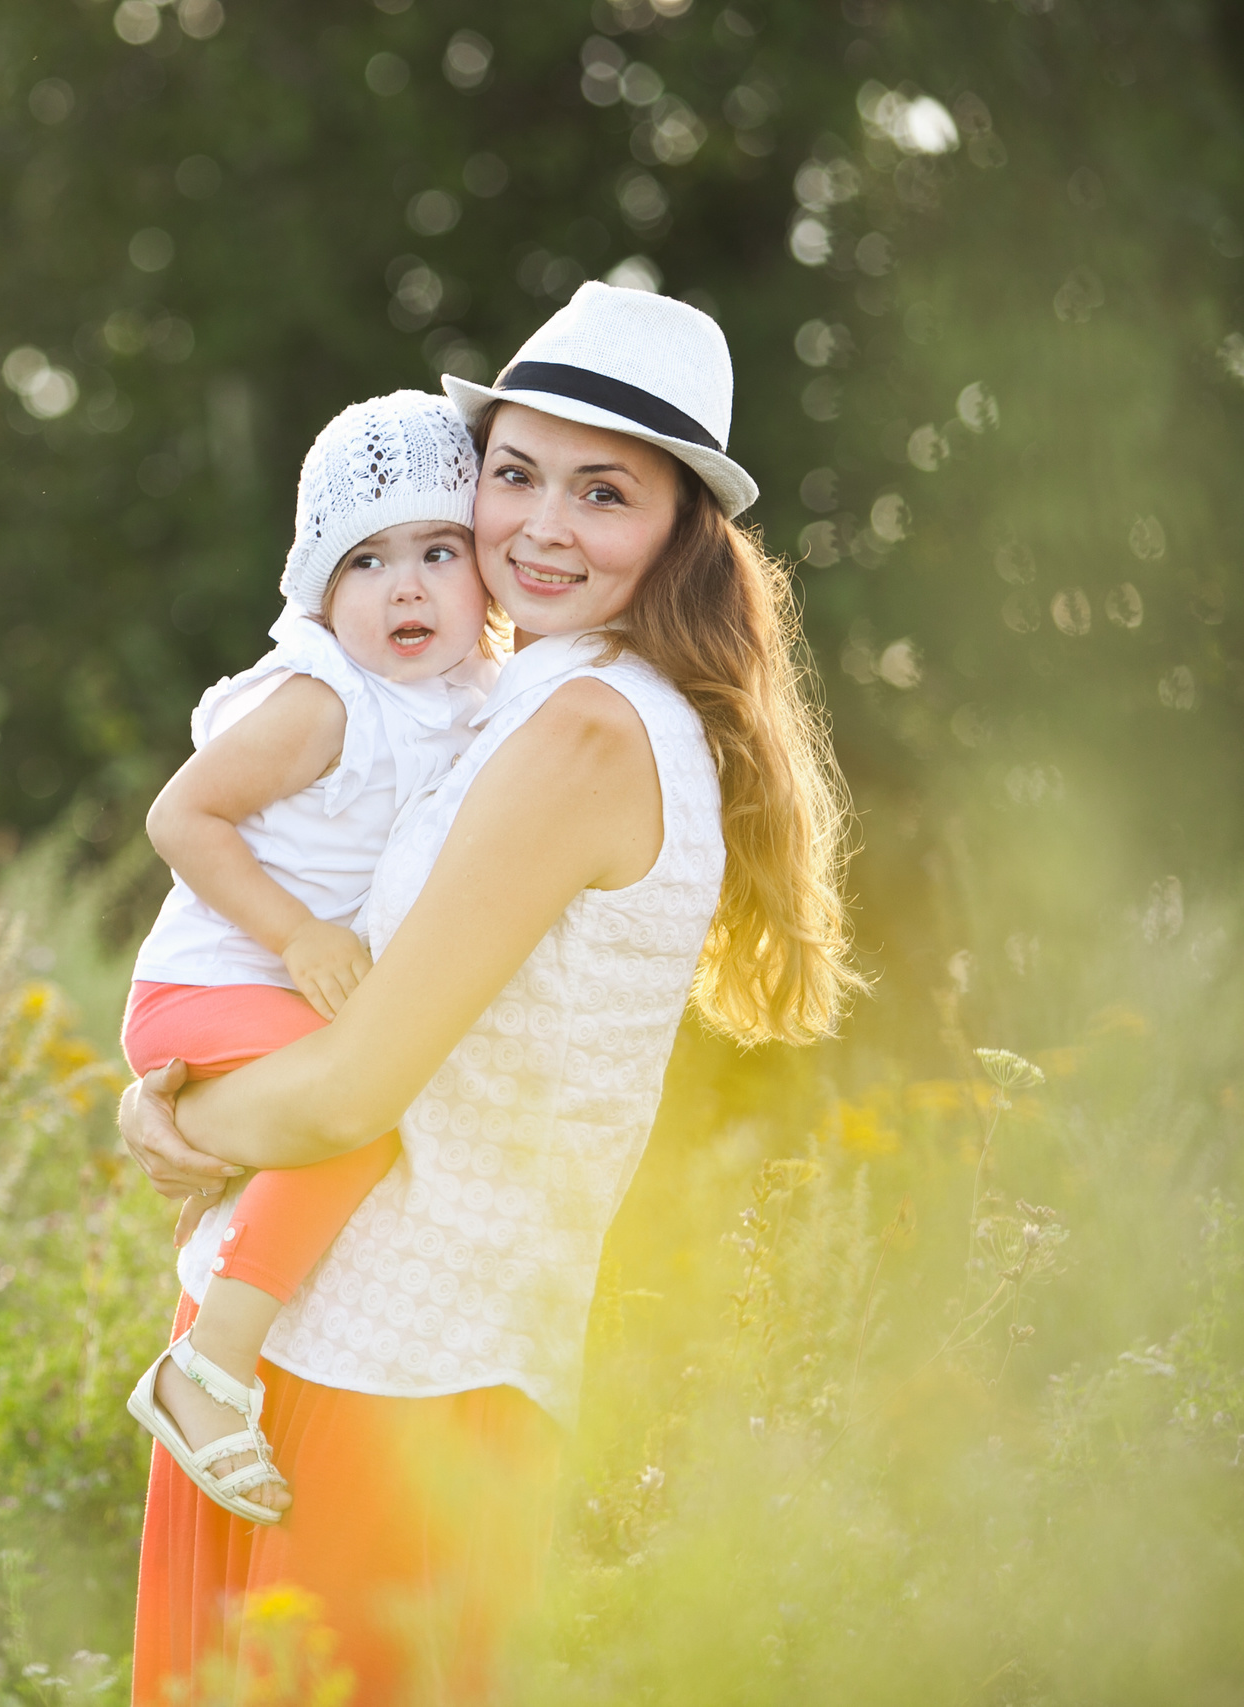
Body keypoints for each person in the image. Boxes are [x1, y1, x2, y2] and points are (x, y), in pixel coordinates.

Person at [119, 282, 863, 1703]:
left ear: (681, 532)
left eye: (605, 492)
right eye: (515, 474)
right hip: (305, 1347)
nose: (541, 524)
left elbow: (353, 1089)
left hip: (395, 1378)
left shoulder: (587, 730)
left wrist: (179, 1117)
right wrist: (183, 1086)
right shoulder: (512, 694)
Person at [120, 390, 500, 1525]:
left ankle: (229, 1255)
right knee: (357, 1112)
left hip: (283, 994)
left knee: (351, 1100)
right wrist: (299, 934)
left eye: (440, 550)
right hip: (209, 984)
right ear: (321, 592)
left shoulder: (470, 696)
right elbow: (180, 819)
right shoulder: (324, 702)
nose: (408, 587)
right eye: (368, 561)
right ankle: (201, 1373)